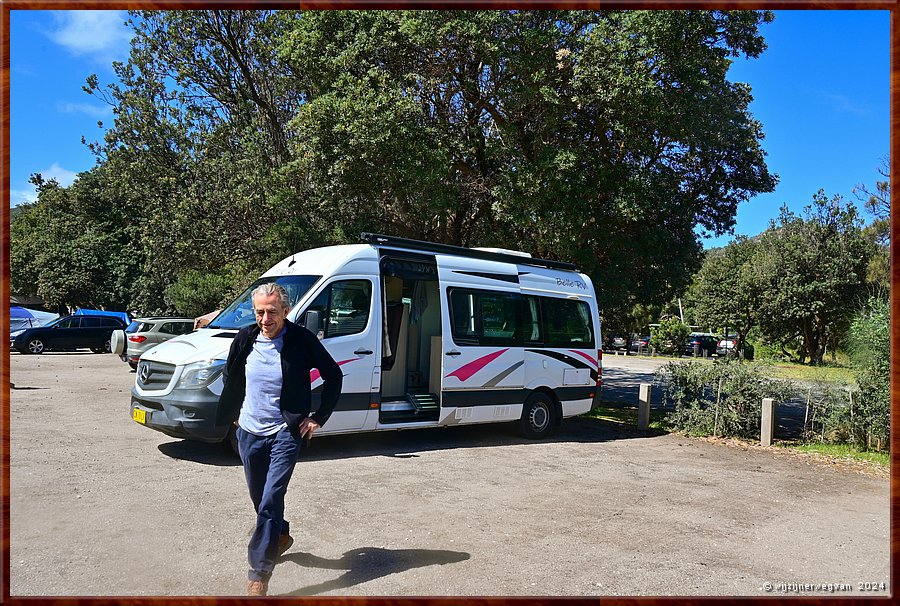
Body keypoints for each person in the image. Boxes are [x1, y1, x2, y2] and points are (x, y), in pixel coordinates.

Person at [218, 282, 343, 596]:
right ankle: (281, 535)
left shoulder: (301, 340)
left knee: (271, 499)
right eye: (259, 311)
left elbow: (333, 375)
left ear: (286, 311)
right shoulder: (246, 336)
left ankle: (259, 572)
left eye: (271, 312)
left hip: (285, 433)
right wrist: (235, 410)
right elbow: (230, 374)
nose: (264, 318)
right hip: (248, 432)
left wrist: (318, 416)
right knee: (261, 500)